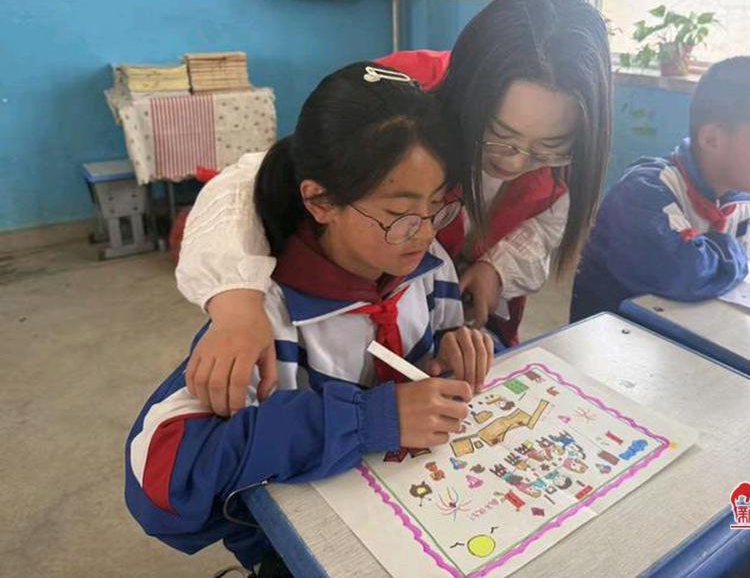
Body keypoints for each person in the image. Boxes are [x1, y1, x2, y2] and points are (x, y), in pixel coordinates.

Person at [177, 0, 613, 416]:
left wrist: (497, 269)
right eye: (500, 136)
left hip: (440, 314)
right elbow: (254, 180)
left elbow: (547, 222)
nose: (516, 163)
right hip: (354, 308)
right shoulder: (401, 99)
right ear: (469, 96)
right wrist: (237, 303)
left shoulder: (575, 137)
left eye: (550, 148)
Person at [126, 63, 493, 571]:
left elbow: (439, 346)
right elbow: (162, 481)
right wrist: (368, 420)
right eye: (399, 215)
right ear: (320, 201)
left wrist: (458, 344)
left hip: (420, 511)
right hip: (304, 547)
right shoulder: (263, 321)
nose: (426, 232)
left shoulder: (430, 268)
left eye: (439, 206)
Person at [570, 56, 750, 321]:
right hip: (614, 336)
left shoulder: (736, 201)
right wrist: (732, 251)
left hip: (685, 327)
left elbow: (741, 278)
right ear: (711, 139)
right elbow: (684, 273)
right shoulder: (644, 192)